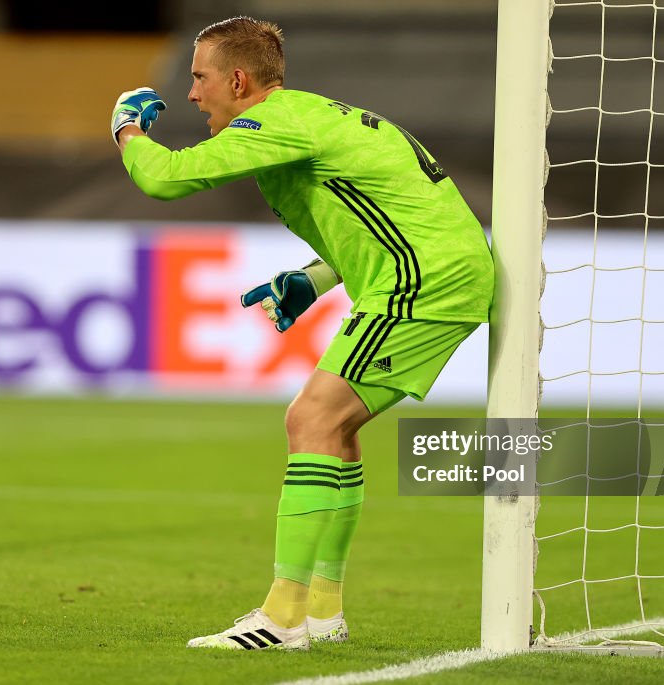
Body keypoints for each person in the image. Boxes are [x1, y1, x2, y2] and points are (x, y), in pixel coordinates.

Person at [111, 16, 494, 651]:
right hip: (433, 273)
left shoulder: (277, 123)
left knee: (310, 420)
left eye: (200, 78)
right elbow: (389, 211)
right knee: (333, 432)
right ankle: (322, 612)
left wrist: (125, 127)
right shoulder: (312, 119)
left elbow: (163, 178)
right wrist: (314, 281)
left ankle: (282, 616)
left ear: (238, 79)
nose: (191, 94)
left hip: (422, 281)